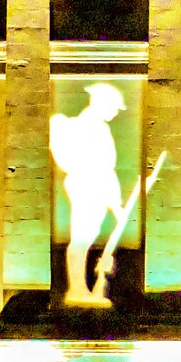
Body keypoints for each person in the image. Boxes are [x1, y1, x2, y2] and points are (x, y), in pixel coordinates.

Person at [49, 83, 126, 305]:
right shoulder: (91, 127)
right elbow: (100, 167)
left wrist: (114, 204)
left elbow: (106, 169)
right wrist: (115, 203)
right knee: (81, 240)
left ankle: (80, 288)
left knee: (85, 238)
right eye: (112, 107)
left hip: (94, 186)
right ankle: (77, 289)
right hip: (88, 185)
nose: (114, 112)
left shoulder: (98, 127)